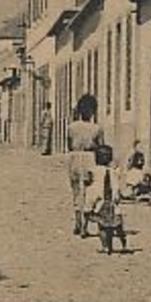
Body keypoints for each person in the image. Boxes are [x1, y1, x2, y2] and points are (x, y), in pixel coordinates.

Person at [66, 94, 105, 235]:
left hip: (74, 158)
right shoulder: (97, 129)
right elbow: (101, 147)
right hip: (90, 158)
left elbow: (69, 145)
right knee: (89, 191)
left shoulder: (72, 127)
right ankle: (85, 226)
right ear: (93, 111)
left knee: (76, 191)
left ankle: (77, 223)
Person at [85, 144, 128, 253]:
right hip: (113, 203)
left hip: (101, 203)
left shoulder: (93, 171)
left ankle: (106, 247)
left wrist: (89, 205)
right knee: (118, 226)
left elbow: (92, 189)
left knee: (102, 227)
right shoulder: (113, 171)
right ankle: (123, 244)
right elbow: (117, 186)